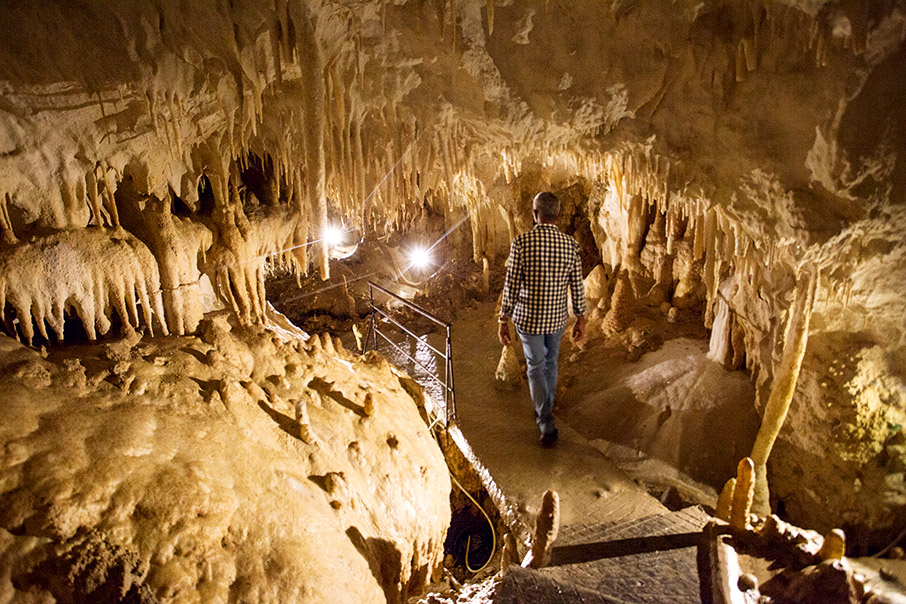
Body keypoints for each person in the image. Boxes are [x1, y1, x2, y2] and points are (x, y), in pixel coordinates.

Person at [498, 191, 586, 447]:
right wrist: (580, 318)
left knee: (535, 367)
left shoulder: (522, 243)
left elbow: (512, 284)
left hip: (528, 320)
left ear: (535, 214)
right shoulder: (570, 245)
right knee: (551, 364)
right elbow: (577, 286)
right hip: (557, 319)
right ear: (558, 215)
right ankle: (545, 408)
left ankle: (546, 421)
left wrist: (503, 319)